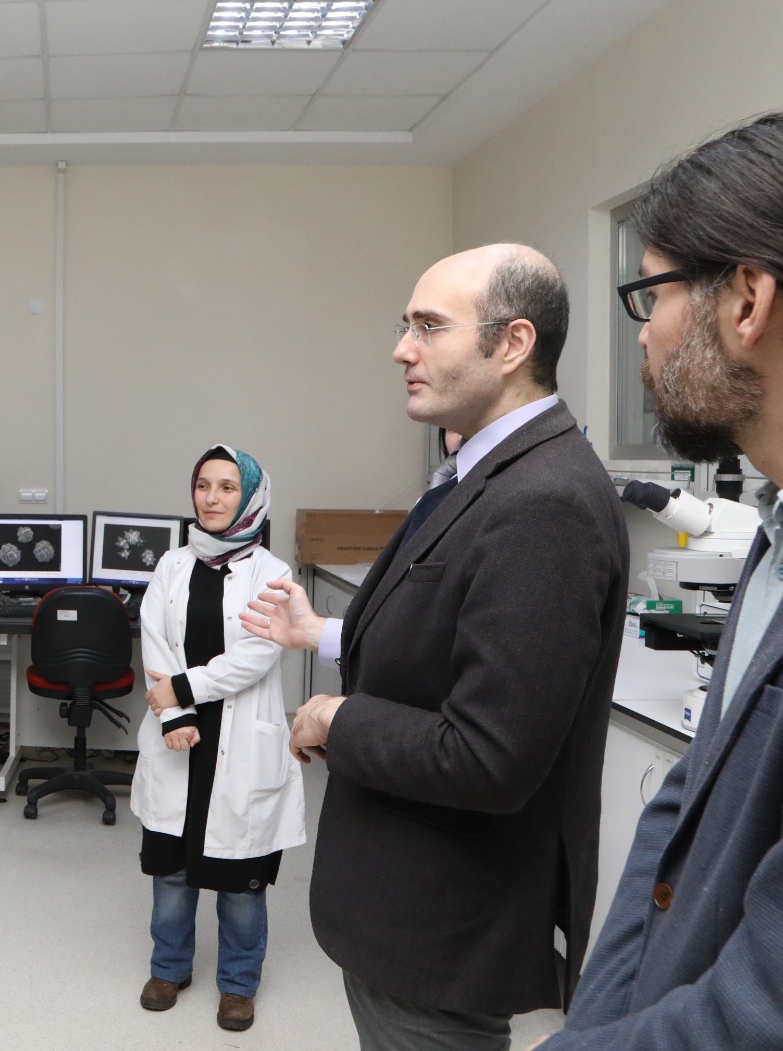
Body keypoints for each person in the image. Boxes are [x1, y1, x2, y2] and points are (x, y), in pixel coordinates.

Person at [241, 244, 628, 1050]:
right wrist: (324, 634)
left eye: (428, 326)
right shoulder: (483, 472)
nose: (401, 349)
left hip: (443, 929)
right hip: (409, 906)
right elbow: (446, 635)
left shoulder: (544, 501)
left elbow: (486, 755)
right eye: (405, 325)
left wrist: (335, 718)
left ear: (513, 343)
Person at [538, 109, 783, 1049]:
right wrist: (594, 1026)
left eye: (650, 295)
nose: (642, 338)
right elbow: (684, 812)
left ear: (747, 300)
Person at [131, 444, 306, 1033]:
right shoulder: (172, 565)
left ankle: (238, 984)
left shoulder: (272, 573)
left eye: (227, 487)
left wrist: (180, 689)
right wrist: (174, 714)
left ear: (250, 496)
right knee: (171, 871)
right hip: (178, 733)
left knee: (240, 881)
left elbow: (255, 657)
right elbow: (154, 639)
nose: (211, 498)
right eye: (203, 485)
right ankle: (168, 968)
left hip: (241, 740)